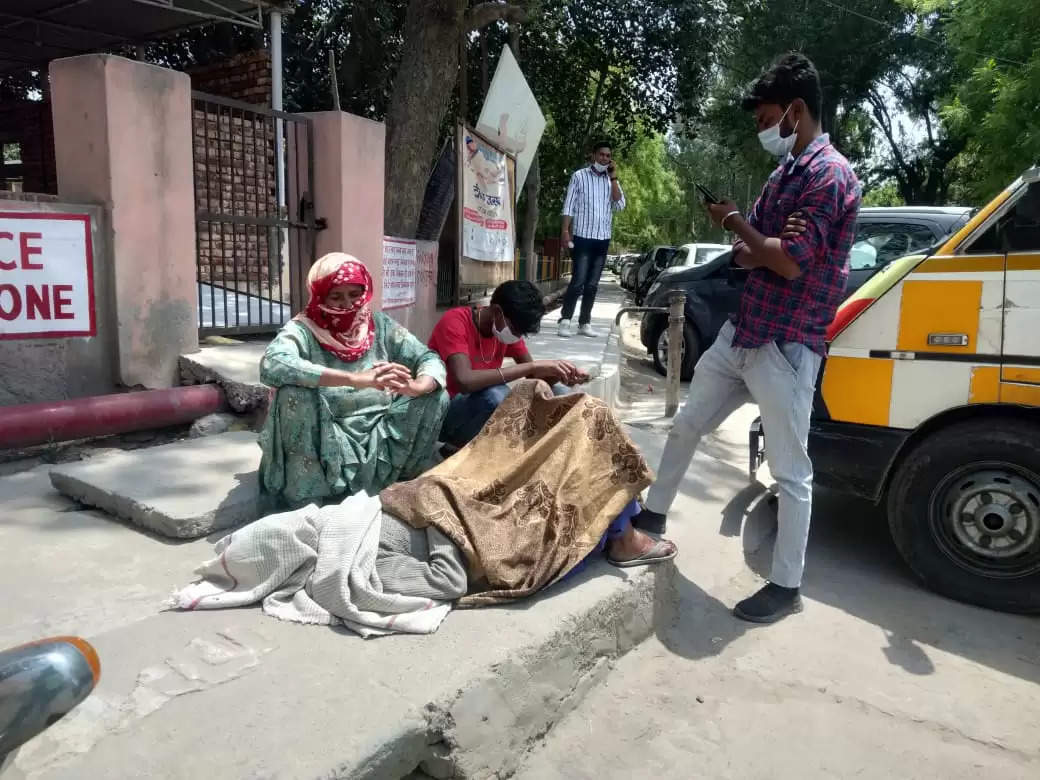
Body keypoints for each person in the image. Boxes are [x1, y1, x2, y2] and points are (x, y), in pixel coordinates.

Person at [632, 53, 862, 624]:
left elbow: (785, 262)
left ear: (796, 111)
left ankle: (786, 587)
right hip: (743, 332)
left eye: (765, 118)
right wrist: (746, 235)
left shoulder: (830, 175)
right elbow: (754, 248)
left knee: (791, 471)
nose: (762, 130)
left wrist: (737, 224)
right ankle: (653, 517)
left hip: (787, 345)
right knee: (687, 424)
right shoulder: (786, 173)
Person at [259, 253, 449, 509]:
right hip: (328, 436)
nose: (347, 304)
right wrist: (355, 379)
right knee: (293, 394)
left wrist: (415, 386)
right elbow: (273, 364)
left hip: (380, 433)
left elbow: (428, 358)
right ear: (318, 296)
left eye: (354, 294)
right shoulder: (302, 329)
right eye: (335, 297)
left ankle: (396, 481)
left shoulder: (379, 325)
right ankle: (306, 500)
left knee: (435, 394)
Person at [430, 280, 588, 450]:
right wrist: (532, 366)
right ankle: (455, 448)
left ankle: (540, 452)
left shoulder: (505, 330)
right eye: (516, 330)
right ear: (497, 311)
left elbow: (535, 377)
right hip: (444, 415)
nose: (517, 336)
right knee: (496, 395)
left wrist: (562, 374)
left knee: (559, 394)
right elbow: (465, 381)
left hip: (477, 410)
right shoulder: (455, 321)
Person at [558, 139, 626, 338]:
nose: (605, 158)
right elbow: (569, 205)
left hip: (602, 238)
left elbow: (620, 205)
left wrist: (613, 179)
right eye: (602, 154)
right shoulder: (579, 176)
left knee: (593, 284)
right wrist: (565, 231)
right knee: (578, 281)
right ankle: (565, 320)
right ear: (594, 155)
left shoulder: (611, 181)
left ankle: (584, 322)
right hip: (582, 237)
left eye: (608, 156)